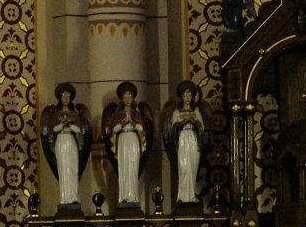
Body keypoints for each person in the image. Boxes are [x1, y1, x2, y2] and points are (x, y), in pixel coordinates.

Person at [40, 83, 94, 215]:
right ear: (60, 98)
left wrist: (68, 124)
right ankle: (64, 198)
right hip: (61, 142)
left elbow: (78, 130)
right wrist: (62, 124)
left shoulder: (75, 115)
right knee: (63, 169)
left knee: (72, 169)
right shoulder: (55, 115)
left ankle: (73, 197)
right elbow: (53, 130)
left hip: (71, 142)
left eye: (68, 96)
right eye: (64, 96)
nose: (66, 99)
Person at [102, 82, 152, 210]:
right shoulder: (118, 115)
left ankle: (133, 196)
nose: (128, 99)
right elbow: (113, 130)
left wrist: (133, 122)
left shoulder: (136, 114)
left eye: (130, 96)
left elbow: (141, 129)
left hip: (133, 141)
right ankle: (124, 196)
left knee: (133, 167)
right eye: (125, 96)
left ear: (133, 98)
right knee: (123, 167)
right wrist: (124, 123)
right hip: (123, 141)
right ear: (122, 98)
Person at [163, 80, 208, 207]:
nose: (187, 98)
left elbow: (202, 127)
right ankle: (182, 196)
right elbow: (173, 128)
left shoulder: (196, 111)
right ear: (181, 96)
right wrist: (183, 122)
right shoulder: (177, 112)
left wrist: (193, 121)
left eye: (189, 95)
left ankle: (191, 195)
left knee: (192, 167)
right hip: (182, 140)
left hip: (193, 140)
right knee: (183, 167)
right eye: (185, 95)